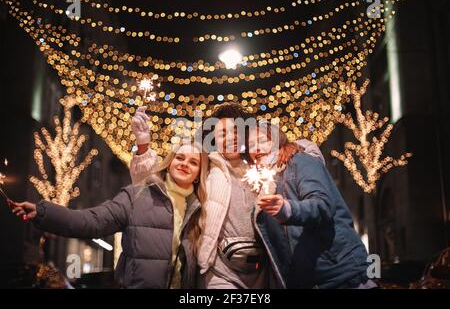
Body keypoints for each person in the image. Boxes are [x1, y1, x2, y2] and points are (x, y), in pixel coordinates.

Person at [10, 107, 209, 289]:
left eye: (193, 162)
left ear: (199, 172)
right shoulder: (138, 196)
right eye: (180, 158)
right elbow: (91, 221)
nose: (185, 164)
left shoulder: (200, 210)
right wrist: (43, 212)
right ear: (170, 161)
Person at [130, 103, 324, 289]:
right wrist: (143, 145)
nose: (230, 138)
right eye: (222, 133)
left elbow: (315, 157)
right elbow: (152, 185)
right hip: (219, 270)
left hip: (264, 269)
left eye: (236, 132)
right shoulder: (205, 166)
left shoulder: (263, 163)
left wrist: (289, 146)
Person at [248, 122, 377, 289]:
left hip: (342, 273)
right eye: (251, 145)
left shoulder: (300, 162)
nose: (256, 148)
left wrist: (288, 209)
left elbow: (322, 205)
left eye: (262, 140)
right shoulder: (264, 186)